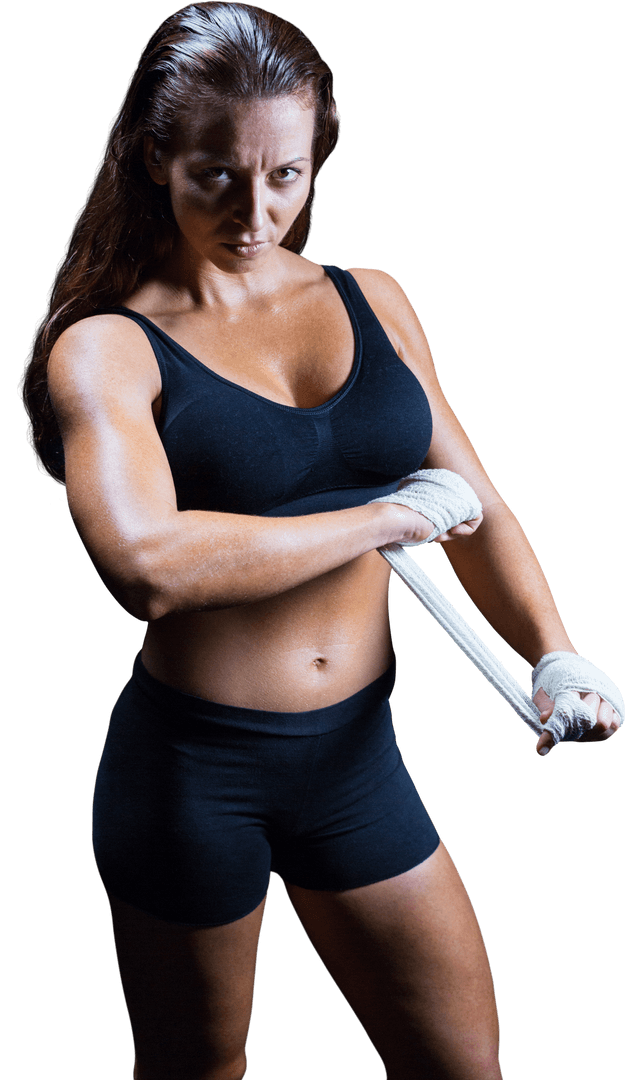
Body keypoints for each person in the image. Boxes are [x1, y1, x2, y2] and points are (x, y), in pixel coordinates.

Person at [17, 3, 622, 1079]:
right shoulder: (107, 345)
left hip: (358, 763)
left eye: (285, 176)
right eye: (218, 175)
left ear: (318, 151)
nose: (257, 212)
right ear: (156, 156)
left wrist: (553, 651)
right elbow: (146, 568)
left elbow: (473, 504)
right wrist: (381, 519)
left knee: (461, 1069)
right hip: (191, 774)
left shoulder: (371, 297)